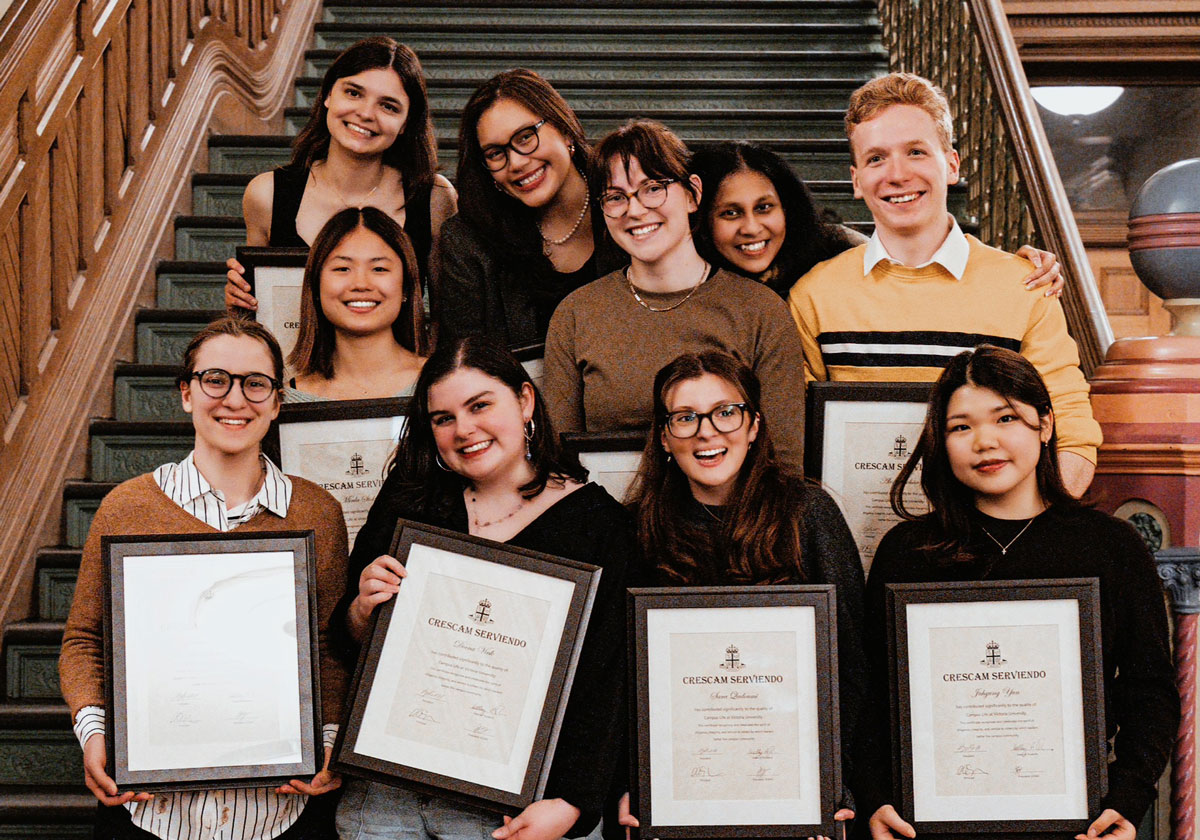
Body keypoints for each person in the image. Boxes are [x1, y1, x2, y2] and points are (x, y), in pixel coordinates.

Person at [861, 345, 1177, 840]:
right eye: (960, 426)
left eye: (1005, 417)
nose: (984, 441)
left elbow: (1149, 691)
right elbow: (872, 696)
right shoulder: (908, 551)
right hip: (928, 821)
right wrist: (876, 797)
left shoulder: (1111, 545)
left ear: (1045, 424)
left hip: (1076, 821)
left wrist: (1128, 799)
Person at [330, 334, 635, 840]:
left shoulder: (600, 526)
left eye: (479, 406)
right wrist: (362, 610)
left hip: (511, 811)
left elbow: (609, 682)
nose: (463, 429)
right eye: (443, 418)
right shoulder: (412, 499)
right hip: (385, 798)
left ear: (524, 400)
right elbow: (347, 638)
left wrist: (575, 803)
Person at [59, 316, 350, 839]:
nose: (235, 399)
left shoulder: (317, 513)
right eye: (216, 379)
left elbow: (327, 646)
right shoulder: (126, 507)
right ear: (186, 394)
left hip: (279, 816)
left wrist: (327, 739)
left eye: (255, 383)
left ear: (277, 402)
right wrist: (95, 732)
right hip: (150, 813)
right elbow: (84, 640)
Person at [787, 72, 1101, 496]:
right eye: (876, 158)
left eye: (916, 152)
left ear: (950, 165)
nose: (896, 174)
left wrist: (1029, 535)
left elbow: (1070, 423)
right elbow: (796, 434)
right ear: (856, 179)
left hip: (990, 544)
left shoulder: (1022, 284)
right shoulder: (814, 295)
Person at [617, 351, 866, 835]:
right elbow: (624, 683)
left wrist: (838, 783)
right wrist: (632, 784)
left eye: (725, 412)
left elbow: (853, 665)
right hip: (679, 792)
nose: (707, 431)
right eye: (685, 418)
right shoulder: (637, 528)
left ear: (754, 426)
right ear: (665, 437)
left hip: (798, 790)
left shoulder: (808, 513)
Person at [544, 120, 809, 468]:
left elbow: (784, 465)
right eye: (615, 197)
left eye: (652, 188)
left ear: (692, 194)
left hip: (735, 520)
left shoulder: (760, 311)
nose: (635, 210)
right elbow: (561, 462)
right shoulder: (576, 315)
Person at [225, 36, 457, 310]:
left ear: (406, 123)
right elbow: (259, 309)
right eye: (353, 93)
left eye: (388, 106)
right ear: (327, 95)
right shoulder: (267, 194)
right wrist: (238, 299)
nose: (366, 113)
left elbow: (447, 315)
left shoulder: (434, 197)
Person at [691, 140, 1063, 298]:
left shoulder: (835, 248)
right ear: (702, 220)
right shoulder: (688, 279)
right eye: (730, 213)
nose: (752, 228)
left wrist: (1009, 267)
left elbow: (914, 272)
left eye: (765, 207)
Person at [437, 68, 626, 347]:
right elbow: (465, 359)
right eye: (495, 154)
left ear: (565, 131)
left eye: (525, 137)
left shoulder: (630, 200)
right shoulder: (467, 241)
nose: (516, 163)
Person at [285, 206, 429, 401]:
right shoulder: (284, 401)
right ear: (316, 286)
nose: (361, 284)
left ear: (405, 288)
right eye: (343, 268)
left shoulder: (442, 383)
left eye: (379, 268)